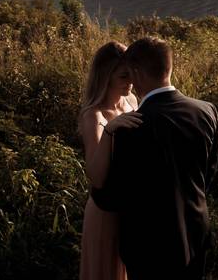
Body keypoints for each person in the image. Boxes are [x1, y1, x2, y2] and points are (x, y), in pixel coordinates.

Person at [91, 37, 218, 280]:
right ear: (167, 67)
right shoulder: (206, 110)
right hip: (195, 235)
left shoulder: (131, 128)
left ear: (138, 73)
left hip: (149, 248)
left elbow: (110, 198)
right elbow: (207, 174)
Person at [79, 41, 142, 280]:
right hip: (105, 213)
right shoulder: (93, 116)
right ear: (106, 76)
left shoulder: (132, 102)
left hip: (129, 208)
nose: (131, 82)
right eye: (124, 76)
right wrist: (109, 131)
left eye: (133, 74)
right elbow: (96, 176)